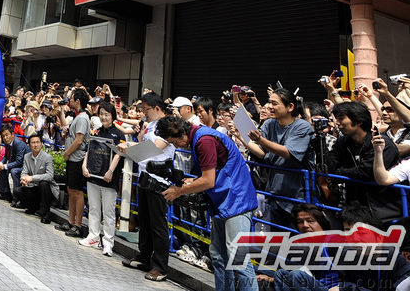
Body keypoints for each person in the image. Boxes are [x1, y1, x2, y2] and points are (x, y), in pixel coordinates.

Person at [157, 114, 258, 291]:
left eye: (173, 142)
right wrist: (194, 181)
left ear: (181, 134)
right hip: (223, 201)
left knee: (238, 258)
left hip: (236, 200)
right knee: (218, 256)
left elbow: (209, 181)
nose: (175, 146)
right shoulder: (200, 136)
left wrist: (179, 191)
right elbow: (214, 171)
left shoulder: (204, 140)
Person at [120, 92, 175, 283]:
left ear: (157, 108)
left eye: (146, 109)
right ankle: (144, 257)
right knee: (144, 220)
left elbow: (155, 148)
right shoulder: (149, 125)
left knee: (158, 224)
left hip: (159, 179)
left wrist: (130, 148)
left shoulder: (168, 125)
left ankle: (160, 267)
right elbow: (144, 147)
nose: (143, 113)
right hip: (144, 176)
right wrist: (131, 146)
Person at [241, 88, 313, 231]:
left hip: (297, 197)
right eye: (268, 103)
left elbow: (288, 153)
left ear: (290, 107)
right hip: (274, 194)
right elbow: (262, 153)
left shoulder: (302, 126)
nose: (269, 107)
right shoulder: (269, 124)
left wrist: (260, 140)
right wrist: (240, 135)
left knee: (298, 241)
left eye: (274, 103)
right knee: (278, 240)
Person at [326, 101, 402, 224]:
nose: (337, 123)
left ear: (359, 120)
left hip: (383, 209)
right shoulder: (342, 142)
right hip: (355, 206)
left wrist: (340, 172)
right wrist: (344, 172)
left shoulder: (382, 143)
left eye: (341, 118)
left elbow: (368, 172)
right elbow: (330, 164)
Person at [81, 100, 125, 256]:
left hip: (108, 179)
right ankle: (93, 236)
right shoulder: (96, 132)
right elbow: (89, 150)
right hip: (93, 176)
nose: (104, 117)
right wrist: (84, 166)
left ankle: (108, 243)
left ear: (112, 116)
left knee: (109, 213)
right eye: (101, 114)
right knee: (93, 208)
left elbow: (119, 154)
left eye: (107, 114)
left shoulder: (119, 134)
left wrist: (111, 171)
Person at [58, 88, 90, 239]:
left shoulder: (83, 118)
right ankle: (70, 221)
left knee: (77, 192)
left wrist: (67, 152)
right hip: (72, 159)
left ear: (77, 101)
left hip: (77, 159)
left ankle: (78, 225)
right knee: (71, 190)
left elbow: (79, 140)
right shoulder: (78, 117)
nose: (68, 100)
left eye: (71, 98)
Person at [16, 134, 59, 223]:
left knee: (44, 183)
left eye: (37, 142)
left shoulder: (47, 157)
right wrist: (23, 180)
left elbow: (50, 176)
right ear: (29, 145)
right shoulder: (27, 157)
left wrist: (32, 178)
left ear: (41, 144)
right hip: (34, 187)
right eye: (33, 143)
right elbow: (24, 172)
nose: (36, 145)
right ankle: (33, 208)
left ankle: (46, 214)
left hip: (48, 190)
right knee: (17, 191)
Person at [0, 125, 29, 205]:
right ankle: (5, 194)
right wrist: (0, 164)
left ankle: (17, 198)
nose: (5, 138)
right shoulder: (7, 143)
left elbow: (19, 162)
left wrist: (3, 166)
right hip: (18, 164)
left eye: (7, 135)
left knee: (14, 171)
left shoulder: (18, 144)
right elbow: (6, 156)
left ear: (12, 134)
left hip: (25, 167)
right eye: (3, 136)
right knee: (1, 169)